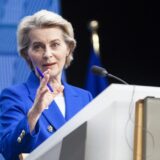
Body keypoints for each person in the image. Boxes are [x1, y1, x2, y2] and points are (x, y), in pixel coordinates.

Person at [0, 10, 93, 160]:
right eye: (38, 47)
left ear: (68, 48)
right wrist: (35, 112)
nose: (47, 54)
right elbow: (9, 151)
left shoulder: (84, 97)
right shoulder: (15, 95)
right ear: (26, 54)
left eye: (55, 44)